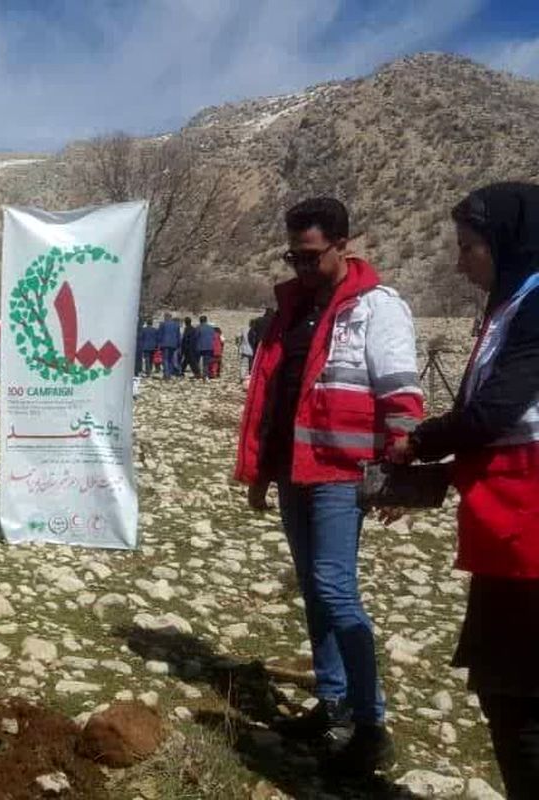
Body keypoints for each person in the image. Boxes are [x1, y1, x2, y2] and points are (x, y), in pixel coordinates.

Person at [235, 197, 422, 776]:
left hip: (342, 471)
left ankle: (370, 724)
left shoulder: (377, 308)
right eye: (293, 256)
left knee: (335, 588)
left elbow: (399, 390)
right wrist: (261, 472)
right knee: (315, 591)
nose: (301, 267)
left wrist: (401, 477)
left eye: (311, 256)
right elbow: (274, 394)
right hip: (295, 468)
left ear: (343, 244)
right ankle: (333, 700)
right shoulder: (291, 308)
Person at [388, 183, 539, 797]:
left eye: (469, 247)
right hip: (505, 526)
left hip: (526, 538)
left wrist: (418, 443)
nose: (459, 262)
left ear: (505, 243)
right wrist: (434, 479)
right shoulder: (510, 307)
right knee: (508, 694)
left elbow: (497, 411)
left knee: (519, 700)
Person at [157, 312, 180, 379]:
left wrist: (158, 344)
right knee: (171, 359)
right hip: (173, 344)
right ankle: (170, 372)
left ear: (166, 317)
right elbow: (178, 335)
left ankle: (166, 374)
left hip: (164, 344)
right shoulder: (176, 325)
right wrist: (178, 344)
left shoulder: (162, 324)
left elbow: (160, 335)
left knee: (165, 359)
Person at [195, 315, 216, 379]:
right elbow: (213, 337)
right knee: (206, 362)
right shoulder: (211, 328)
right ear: (206, 320)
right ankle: (205, 374)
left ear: (200, 321)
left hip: (200, 346)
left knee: (198, 361)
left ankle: (199, 373)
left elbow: (195, 337)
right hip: (209, 346)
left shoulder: (198, 327)